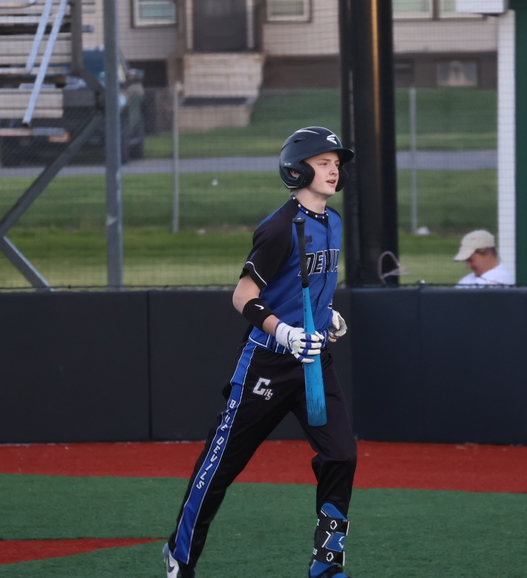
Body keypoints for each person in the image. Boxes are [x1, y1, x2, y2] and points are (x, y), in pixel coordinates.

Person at [163, 127, 357, 578]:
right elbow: (243, 296)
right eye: (323, 162)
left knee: (342, 455)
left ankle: (326, 564)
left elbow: (312, 290)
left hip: (313, 364)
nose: (333, 170)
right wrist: (285, 332)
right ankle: (180, 556)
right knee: (220, 468)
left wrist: (328, 317)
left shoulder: (334, 222)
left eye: (336, 163)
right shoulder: (277, 229)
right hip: (266, 364)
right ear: (297, 168)